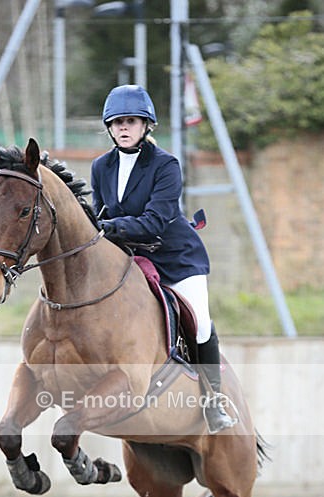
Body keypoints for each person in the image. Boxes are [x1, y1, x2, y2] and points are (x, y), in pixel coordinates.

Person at [90, 83, 237, 433]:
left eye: (131, 121)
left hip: (176, 258)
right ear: (109, 128)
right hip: (134, 259)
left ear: (146, 126)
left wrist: (106, 228)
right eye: (117, 122)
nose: (124, 127)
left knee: (200, 321)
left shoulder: (165, 165)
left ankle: (213, 401)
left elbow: (153, 221)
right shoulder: (100, 167)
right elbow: (98, 216)